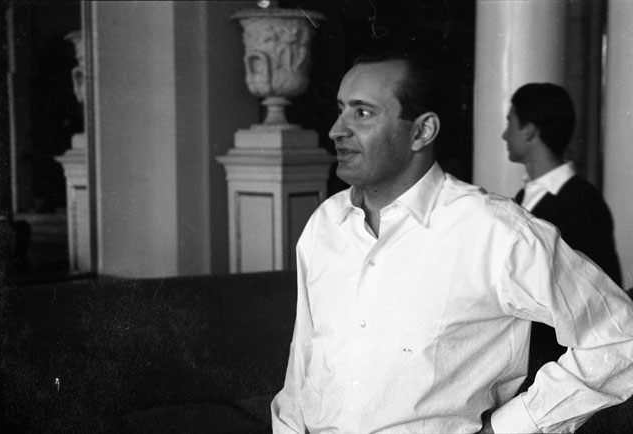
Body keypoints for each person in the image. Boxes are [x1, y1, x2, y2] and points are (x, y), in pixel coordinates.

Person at [271, 50, 633, 434]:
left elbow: (621, 338)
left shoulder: (497, 232)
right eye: (341, 109)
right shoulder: (324, 224)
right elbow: (303, 363)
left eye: (362, 113)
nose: (336, 130)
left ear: (422, 131)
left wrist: (510, 427)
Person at [502, 83, 623, 393]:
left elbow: (597, 304)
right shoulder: (526, 197)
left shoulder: (580, 202)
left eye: (510, 122)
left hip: (553, 376)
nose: (504, 134)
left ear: (529, 130)